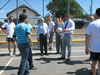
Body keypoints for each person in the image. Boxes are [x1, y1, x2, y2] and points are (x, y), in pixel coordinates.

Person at [85, 8, 100, 75]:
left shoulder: (91, 24)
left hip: (94, 48)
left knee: (93, 64)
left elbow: (87, 37)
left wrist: (86, 48)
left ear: (96, 14)